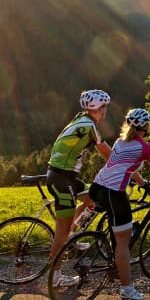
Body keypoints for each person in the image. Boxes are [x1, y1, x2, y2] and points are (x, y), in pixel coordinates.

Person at [89, 107, 150, 300]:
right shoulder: (146, 148)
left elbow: (127, 167)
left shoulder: (120, 142)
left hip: (97, 187)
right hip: (114, 193)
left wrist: (142, 183)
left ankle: (114, 263)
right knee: (123, 243)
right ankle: (126, 288)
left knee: (118, 231)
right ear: (146, 126)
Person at [46, 89, 112, 287]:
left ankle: (73, 237)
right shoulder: (89, 126)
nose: (105, 111)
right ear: (99, 109)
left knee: (93, 199)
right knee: (61, 233)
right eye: (104, 107)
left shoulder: (81, 119)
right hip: (61, 179)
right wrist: (125, 167)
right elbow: (105, 152)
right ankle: (55, 277)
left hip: (66, 176)